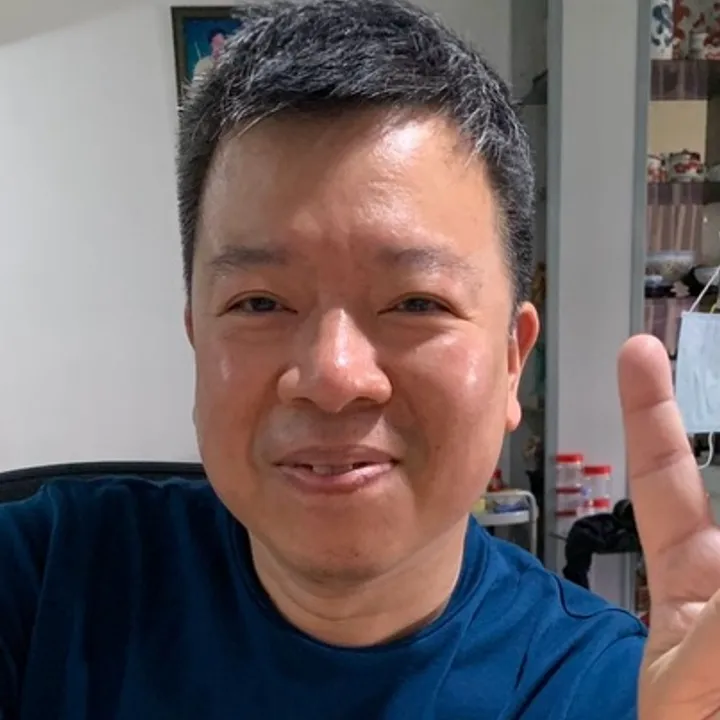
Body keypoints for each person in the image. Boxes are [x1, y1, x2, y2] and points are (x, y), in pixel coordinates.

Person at [2, 0, 720, 717]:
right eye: (260, 302)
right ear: (198, 338)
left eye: (416, 302)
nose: (333, 376)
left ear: (512, 361)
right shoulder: (44, 585)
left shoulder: (617, 695)